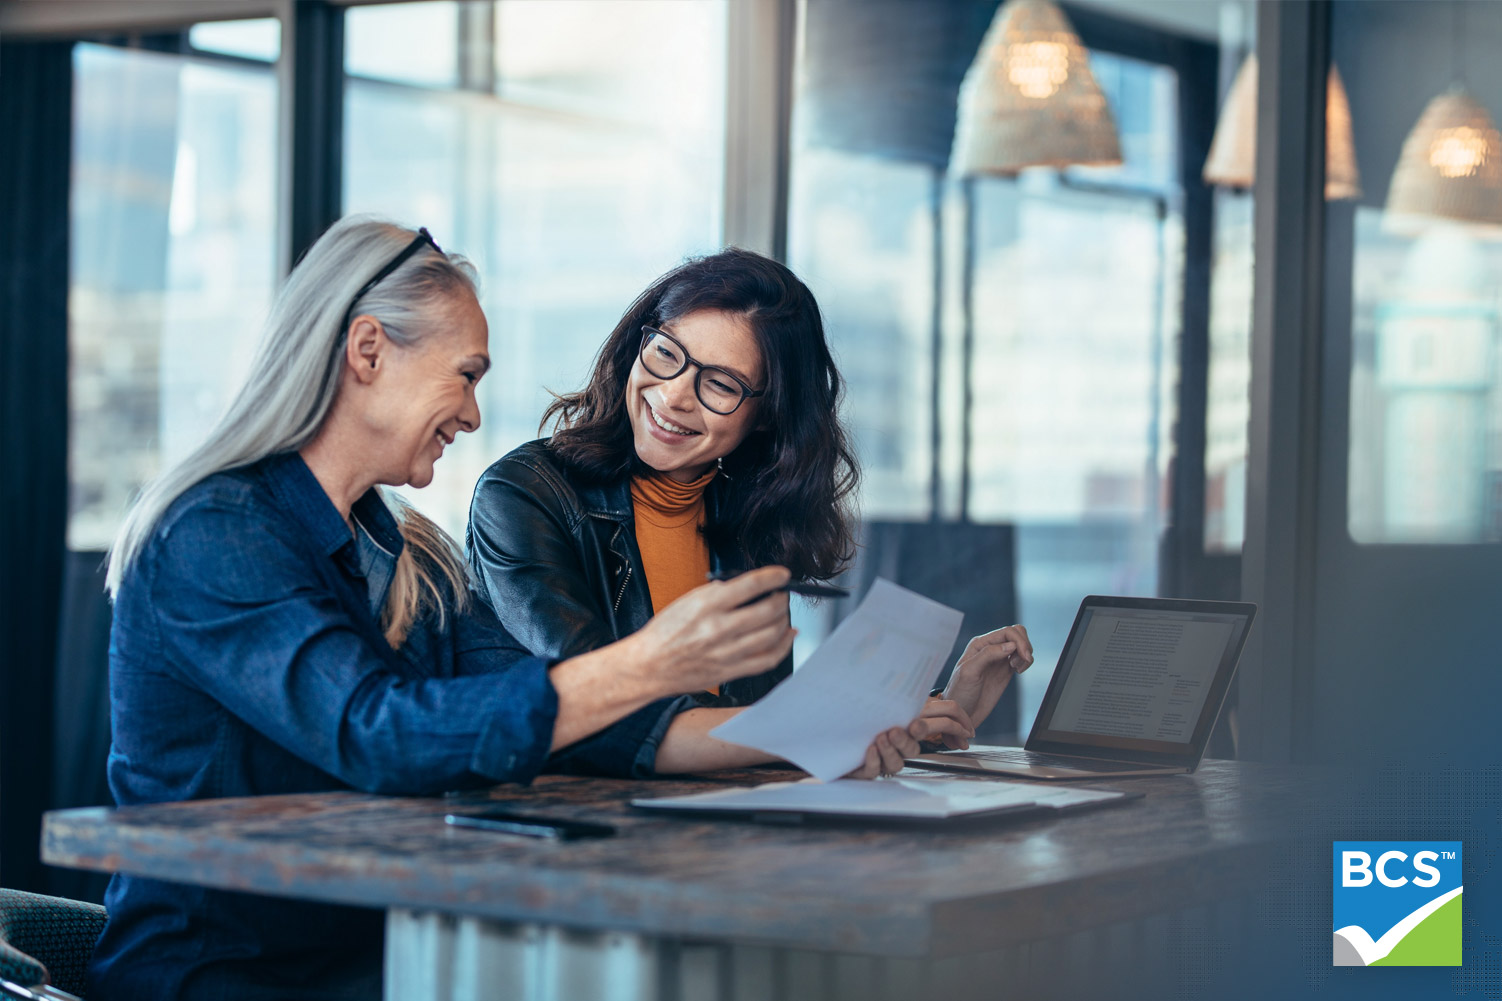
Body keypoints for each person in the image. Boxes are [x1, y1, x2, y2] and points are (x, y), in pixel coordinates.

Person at [90, 220, 854, 1001]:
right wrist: (651, 659)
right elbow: (376, 732)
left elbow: (579, 715)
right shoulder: (215, 531)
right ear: (367, 351)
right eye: (465, 374)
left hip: (377, 956)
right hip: (223, 976)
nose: (473, 415)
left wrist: (832, 732)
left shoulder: (405, 551)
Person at [467, 248, 1034, 775]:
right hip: (575, 835)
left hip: (716, 830)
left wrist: (930, 714)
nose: (673, 395)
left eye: (720, 383)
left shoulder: (749, 519)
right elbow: (600, 708)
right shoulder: (525, 493)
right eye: (666, 353)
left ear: (766, 417)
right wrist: (832, 729)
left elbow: (761, 727)